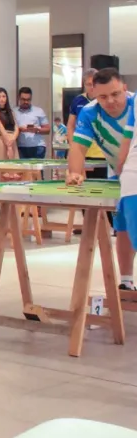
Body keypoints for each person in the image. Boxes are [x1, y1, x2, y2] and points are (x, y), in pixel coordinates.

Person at [66, 68, 135, 290]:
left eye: (115, 94)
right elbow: (78, 147)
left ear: (125, 88)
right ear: (94, 93)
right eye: (103, 96)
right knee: (122, 225)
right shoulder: (88, 113)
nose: (111, 101)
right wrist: (75, 172)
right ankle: (126, 282)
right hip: (120, 174)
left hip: (132, 172)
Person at [68, 69, 108, 176]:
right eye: (88, 84)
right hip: (84, 150)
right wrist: (73, 146)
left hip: (103, 152)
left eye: (94, 84)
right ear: (84, 84)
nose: (91, 87)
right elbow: (71, 125)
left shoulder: (106, 99)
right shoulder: (78, 100)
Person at [15, 87, 50, 159]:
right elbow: (10, 130)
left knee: (37, 170)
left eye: (28, 99)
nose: (26, 102)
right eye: (23, 99)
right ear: (19, 98)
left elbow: (48, 129)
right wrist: (19, 129)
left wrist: (36, 130)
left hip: (38, 146)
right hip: (20, 147)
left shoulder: (39, 111)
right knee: (21, 170)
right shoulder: (13, 112)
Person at [0, 88, 19, 160]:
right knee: (3, 168)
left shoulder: (11, 112)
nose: (2, 99)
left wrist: (13, 138)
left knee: (15, 168)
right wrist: (9, 146)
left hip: (12, 140)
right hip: (1, 138)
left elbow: (16, 128)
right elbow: (1, 129)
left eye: (4, 96)